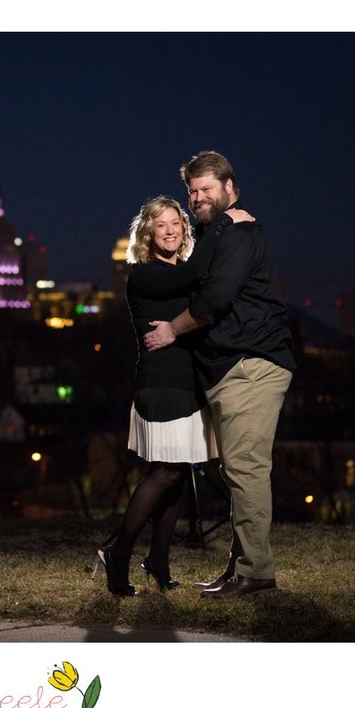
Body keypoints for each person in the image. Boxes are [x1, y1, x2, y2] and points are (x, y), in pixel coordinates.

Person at [144, 151, 296, 599]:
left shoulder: (239, 233)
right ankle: (240, 567)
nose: (197, 198)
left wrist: (172, 330)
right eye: (192, 191)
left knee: (246, 469)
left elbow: (215, 301)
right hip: (231, 367)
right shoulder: (221, 232)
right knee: (237, 472)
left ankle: (256, 572)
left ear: (231, 187)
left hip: (251, 365)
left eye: (207, 189)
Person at [95, 195, 251, 596]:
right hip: (160, 383)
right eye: (161, 224)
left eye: (176, 224)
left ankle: (158, 561)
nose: (170, 230)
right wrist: (219, 224)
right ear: (148, 233)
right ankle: (119, 552)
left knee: (176, 475)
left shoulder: (184, 273)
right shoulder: (145, 274)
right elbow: (200, 270)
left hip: (189, 383)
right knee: (164, 471)